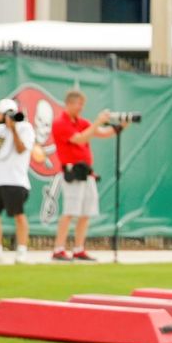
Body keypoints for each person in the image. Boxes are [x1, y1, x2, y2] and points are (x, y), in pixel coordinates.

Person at [50, 90, 128, 262]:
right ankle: (59, 248)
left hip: (87, 173)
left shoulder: (82, 122)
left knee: (86, 213)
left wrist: (120, 126)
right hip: (72, 172)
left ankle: (79, 249)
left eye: (82, 105)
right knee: (70, 211)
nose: (81, 108)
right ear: (69, 103)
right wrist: (97, 122)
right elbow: (79, 139)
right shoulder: (60, 123)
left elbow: (102, 133)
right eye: (78, 104)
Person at [0, 99, 37, 264]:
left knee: (19, 215)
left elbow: (20, 149)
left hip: (16, 180)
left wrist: (13, 129)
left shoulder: (25, 128)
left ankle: (22, 251)